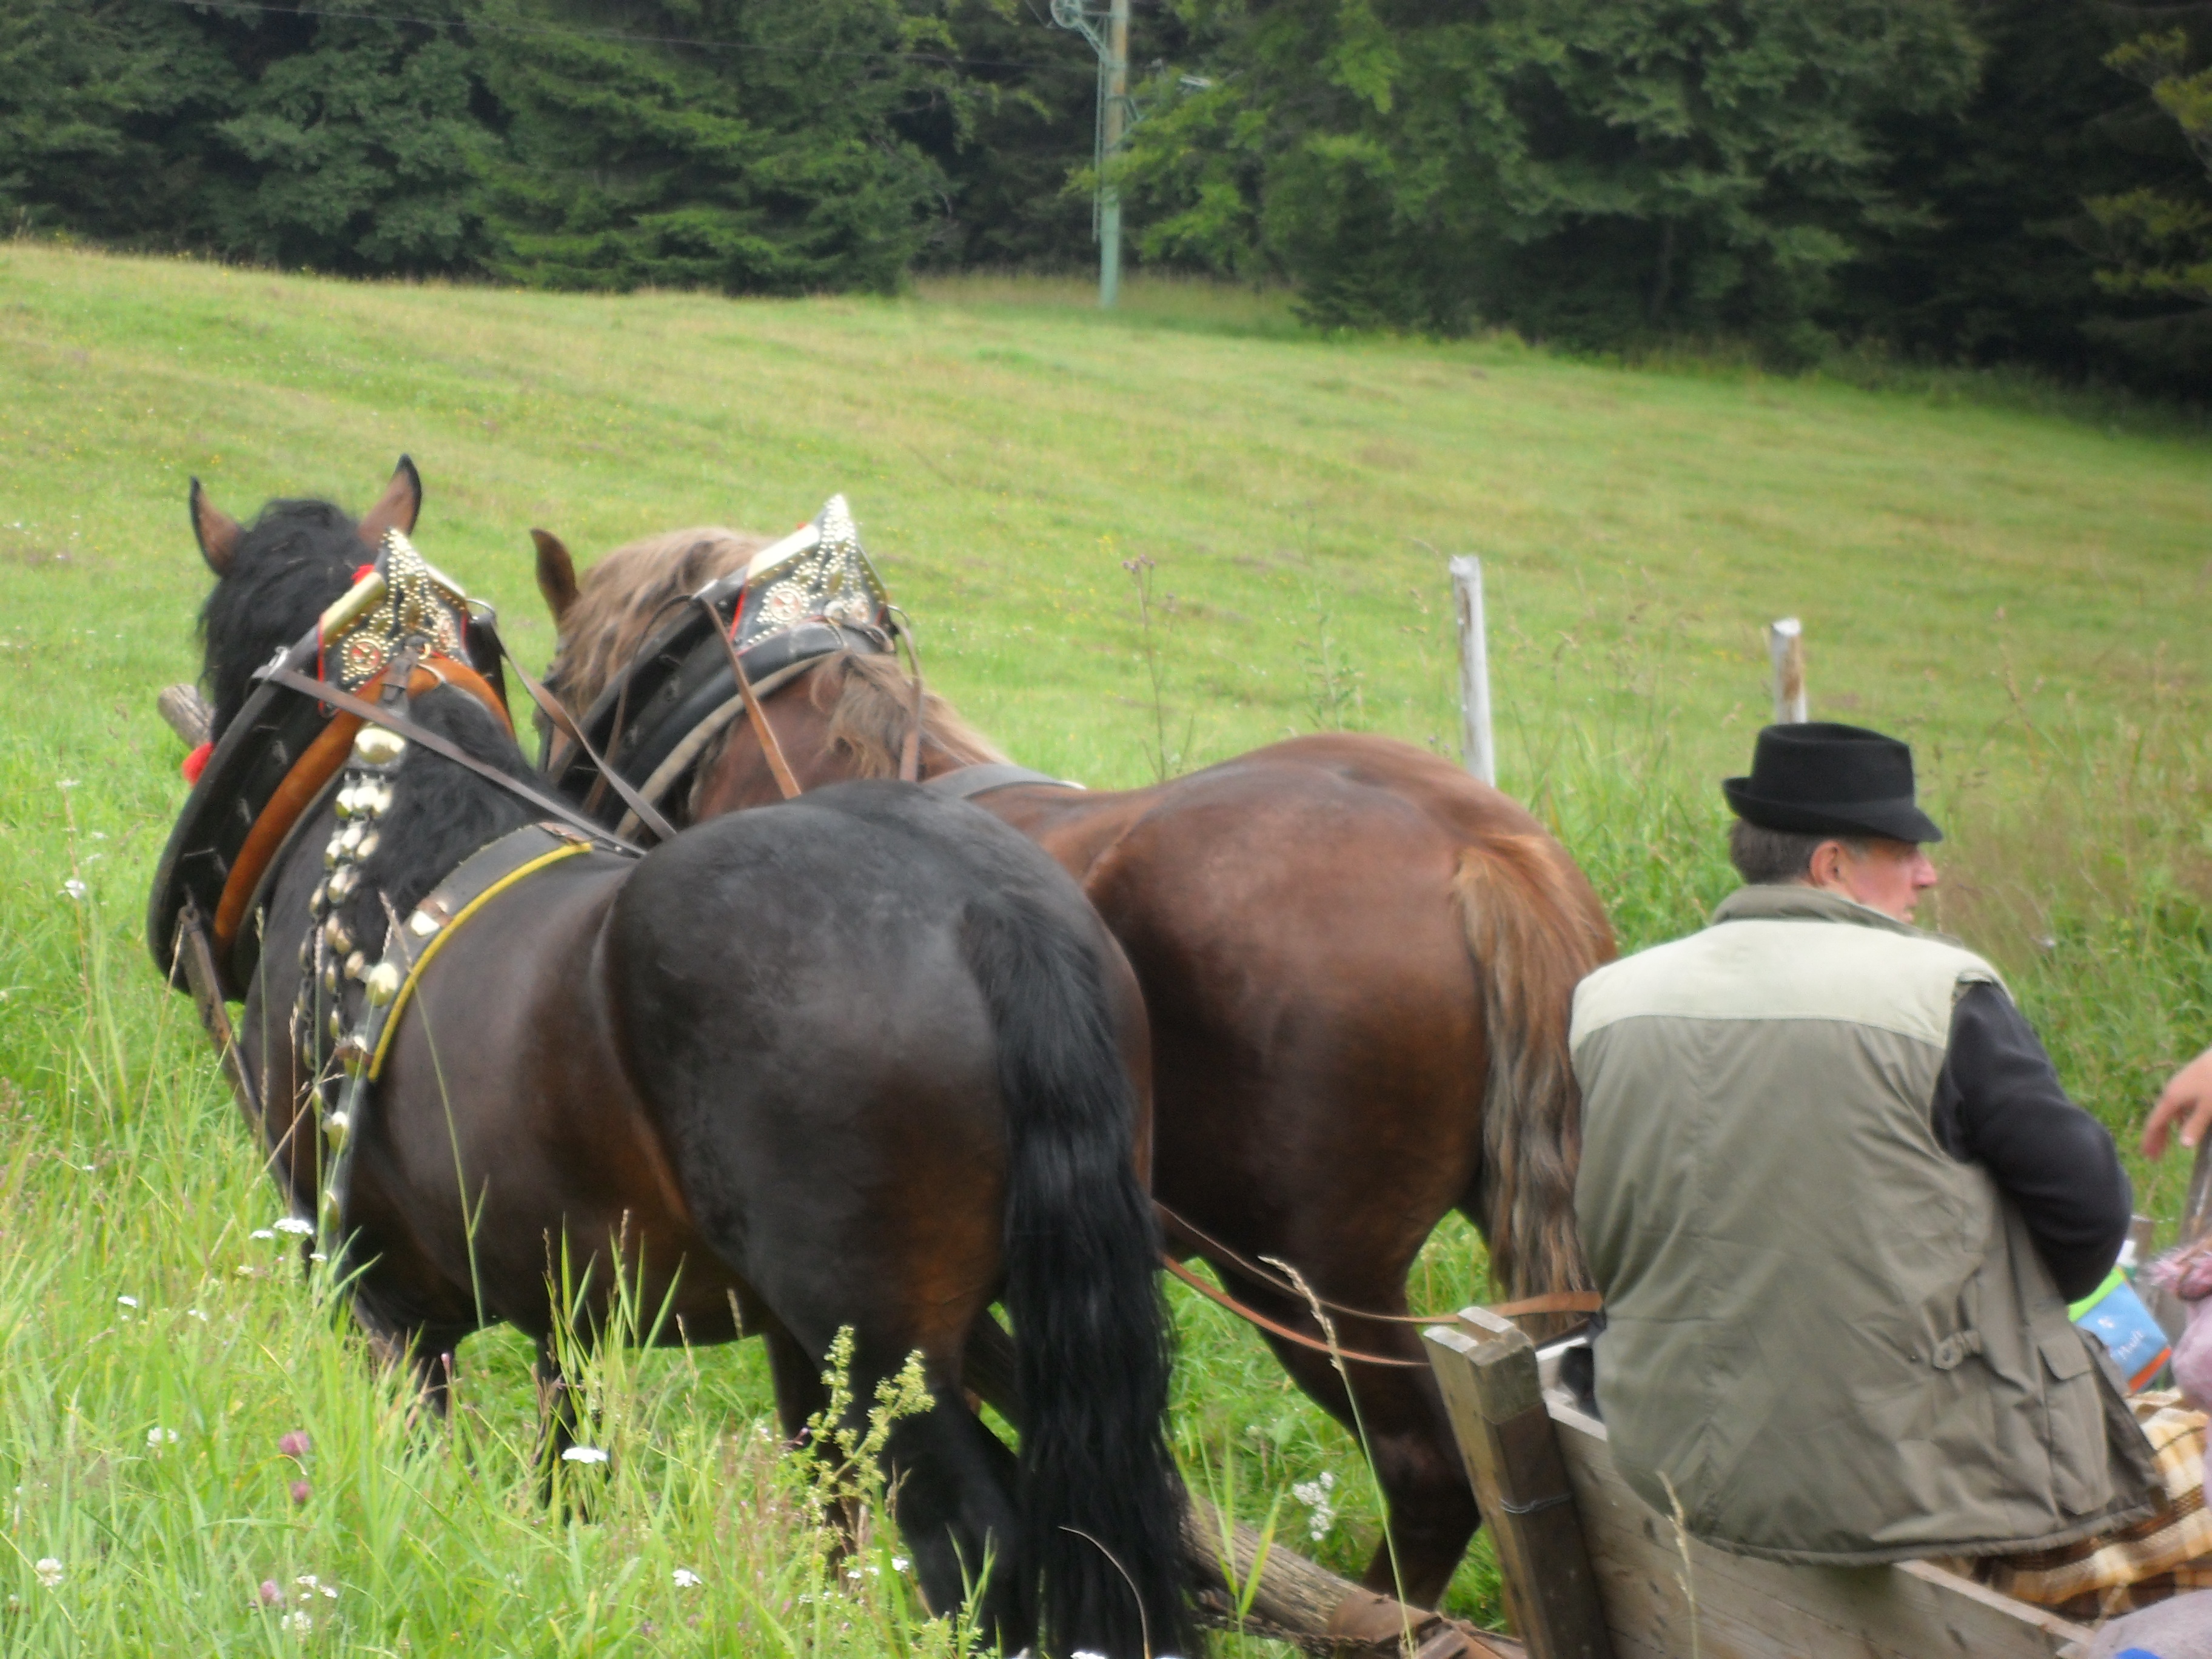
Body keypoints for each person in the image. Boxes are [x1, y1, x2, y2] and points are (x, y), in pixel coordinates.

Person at [1569, 720, 2163, 1568]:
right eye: (1904, 850)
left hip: (1669, 1461)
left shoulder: (1610, 999)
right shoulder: (1938, 992)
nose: (1928, 874)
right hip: (1923, 1481)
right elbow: (2089, 1208)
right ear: (1832, 866)